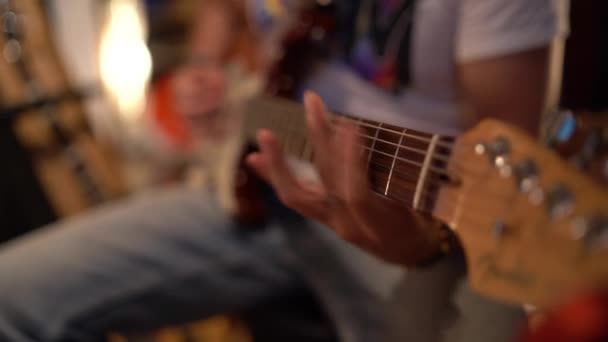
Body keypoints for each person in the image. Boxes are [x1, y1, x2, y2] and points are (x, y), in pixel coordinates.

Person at [0, 1, 567, 342]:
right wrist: (205, 66)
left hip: (414, 216)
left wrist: (421, 241)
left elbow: (503, 178)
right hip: (254, 176)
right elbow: (223, 9)